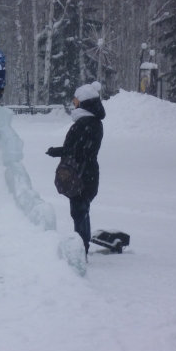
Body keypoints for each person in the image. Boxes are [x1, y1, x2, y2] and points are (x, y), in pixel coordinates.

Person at [46, 81, 105, 259]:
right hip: (87, 172)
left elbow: (78, 150)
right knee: (81, 211)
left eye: (76, 101)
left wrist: (58, 151)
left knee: (79, 212)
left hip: (82, 173)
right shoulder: (90, 121)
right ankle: (81, 247)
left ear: (84, 102)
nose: (73, 104)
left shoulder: (86, 123)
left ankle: (80, 250)